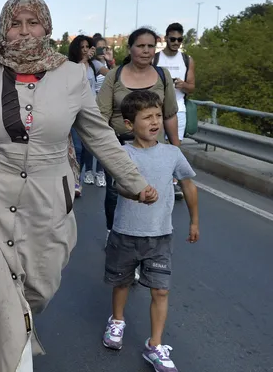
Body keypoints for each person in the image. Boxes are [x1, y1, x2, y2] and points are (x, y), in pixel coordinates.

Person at [0, 0, 157, 372]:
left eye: (33, 22)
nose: (24, 31)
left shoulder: (72, 75)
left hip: (50, 198)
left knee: (40, 285)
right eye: (16, 24)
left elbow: (98, 136)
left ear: (47, 26)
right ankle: (8, 362)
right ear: (3, 29)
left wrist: (134, 182)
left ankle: (14, 332)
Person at [102, 90, 199, 372]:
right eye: (147, 117)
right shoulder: (122, 154)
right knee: (121, 283)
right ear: (130, 124)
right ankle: (117, 320)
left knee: (161, 290)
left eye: (158, 115)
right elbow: (118, 186)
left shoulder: (172, 153)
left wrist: (194, 221)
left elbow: (189, 185)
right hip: (125, 232)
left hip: (160, 236)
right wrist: (135, 195)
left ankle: (154, 345)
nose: (155, 122)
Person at [97, 27, 180, 236]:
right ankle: (113, 232)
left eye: (150, 46)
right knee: (117, 192)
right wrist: (105, 150)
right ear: (130, 48)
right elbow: (100, 118)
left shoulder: (163, 75)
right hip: (120, 147)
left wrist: (176, 151)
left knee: (153, 192)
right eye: (140, 46)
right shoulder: (114, 77)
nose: (146, 51)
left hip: (155, 148)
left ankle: (150, 236)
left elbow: (169, 114)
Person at [155, 23, 196, 200]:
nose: (176, 42)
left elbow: (192, 87)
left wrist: (183, 85)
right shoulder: (155, 59)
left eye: (179, 39)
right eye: (172, 39)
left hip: (178, 109)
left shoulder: (187, 60)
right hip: (156, 109)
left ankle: (172, 184)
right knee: (156, 146)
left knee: (175, 148)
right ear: (166, 39)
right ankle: (157, 180)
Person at [67, 35, 105, 195]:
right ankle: (76, 181)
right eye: (81, 47)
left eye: (87, 47)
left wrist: (104, 59)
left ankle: (86, 176)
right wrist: (83, 61)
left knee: (91, 146)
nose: (84, 50)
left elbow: (112, 76)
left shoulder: (94, 65)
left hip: (91, 111)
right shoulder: (71, 66)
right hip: (75, 111)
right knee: (77, 148)